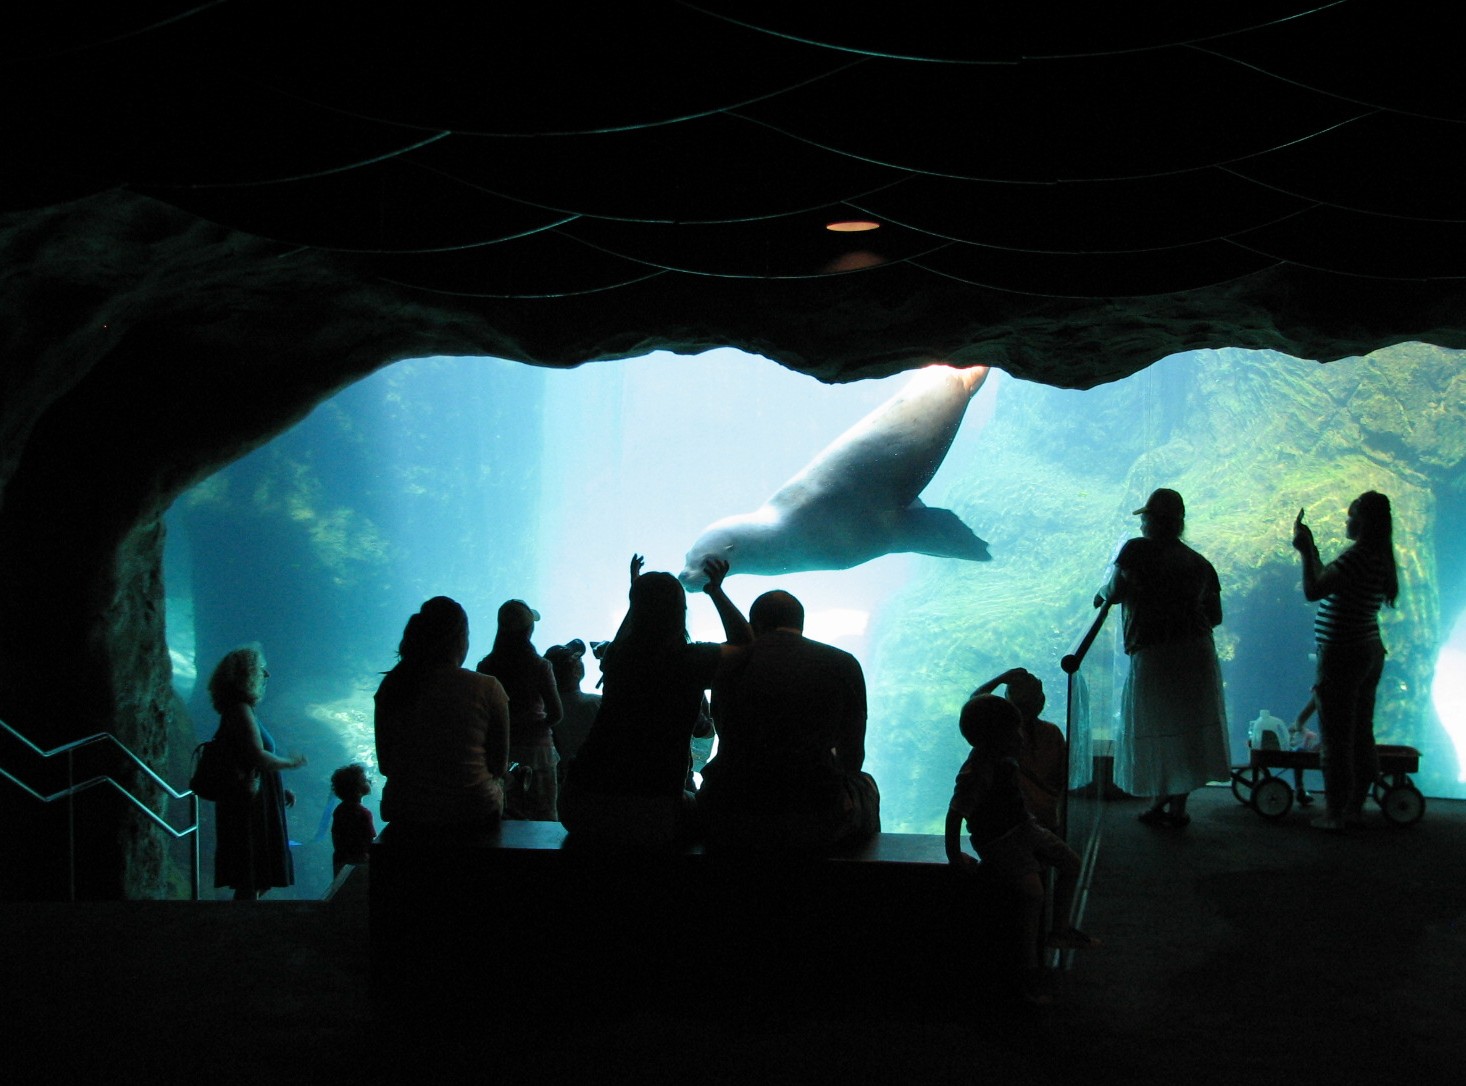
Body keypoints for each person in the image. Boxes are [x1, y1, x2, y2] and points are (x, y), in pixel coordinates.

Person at [559, 555, 751, 849]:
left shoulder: (617, 657)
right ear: (681, 612)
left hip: (577, 805)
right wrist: (715, 591)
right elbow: (745, 644)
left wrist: (637, 590)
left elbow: (634, 629)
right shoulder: (691, 660)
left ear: (635, 611)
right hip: (652, 812)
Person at [698, 589, 880, 852]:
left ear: (754, 626)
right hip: (814, 815)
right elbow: (853, 758)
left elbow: (723, 728)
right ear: (801, 623)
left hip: (730, 811)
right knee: (865, 785)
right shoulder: (843, 664)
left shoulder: (729, 664)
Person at [945, 694, 1098, 1005]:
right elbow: (956, 813)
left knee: (1071, 863)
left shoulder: (1003, 756)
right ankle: (1027, 975)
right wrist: (954, 856)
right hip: (997, 840)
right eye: (1014, 731)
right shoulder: (977, 771)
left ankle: (1060, 929)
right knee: (1032, 895)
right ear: (995, 738)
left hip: (1024, 827)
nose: (1021, 736)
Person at [1094, 487, 1230, 828]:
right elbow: (1215, 616)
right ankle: (1176, 807)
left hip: (1154, 653)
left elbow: (1114, 591)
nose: (1141, 525)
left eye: (1145, 518)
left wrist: (1100, 595)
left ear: (1153, 521)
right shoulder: (1199, 564)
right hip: (1197, 652)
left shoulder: (1136, 551)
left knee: (1155, 724)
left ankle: (1159, 800)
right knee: (1186, 729)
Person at [1292, 492, 1400, 832]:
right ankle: (1354, 806)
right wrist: (1312, 552)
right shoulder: (1379, 556)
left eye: (1351, 516)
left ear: (1364, 522)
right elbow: (1327, 581)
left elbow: (1313, 590)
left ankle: (1335, 813)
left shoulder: (1356, 557)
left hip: (1343, 653)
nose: (1346, 522)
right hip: (1368, 650)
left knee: (1336, 736)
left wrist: (1305, 550)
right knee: (1360, 732)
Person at [374, 596, 510, 840]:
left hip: (406, 810)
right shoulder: (487, 687)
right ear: (459, 640)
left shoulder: (392, 685)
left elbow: (386, 765)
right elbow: (499, 766)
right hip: (472, 811)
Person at [206, 644, 307, 900]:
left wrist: (277, 787)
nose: (267, 675)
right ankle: (242, 928)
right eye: (261, 669)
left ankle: (244, 924)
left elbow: (244, 758)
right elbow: (257, 756)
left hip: (256, 796)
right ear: (247, 674)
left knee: (258, 875)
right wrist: (290, 763)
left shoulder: (241, 710)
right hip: (248, 804)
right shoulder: (239, 710)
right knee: (252, 873)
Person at [477, 599, 562, 821]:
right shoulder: (540, 665)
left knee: (506, 817)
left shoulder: (485, 667)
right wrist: (532, 727)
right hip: (538, 751)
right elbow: (556, 714)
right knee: (543, 818)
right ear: (529, 630)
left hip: (499, 752)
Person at [970, 667, 1067, 832]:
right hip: (1049, 817)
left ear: (1009, 704)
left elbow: (975, 704)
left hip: (1013, 820)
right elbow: (1063, 777)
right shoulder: (1053, 732)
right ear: (1041, 702)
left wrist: (1001, 679)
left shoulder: (1003, 734)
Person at [545, 639, 601, 791]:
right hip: (601, 786)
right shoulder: (597, 703)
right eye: (578, 660)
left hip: (565, 791)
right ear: (576, 671)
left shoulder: (543, 712)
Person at [329, 762, 376, 876]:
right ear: (357, 789)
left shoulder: (339, 810)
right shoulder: (363, 813)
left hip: (340, 863)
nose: (368, 781)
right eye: (364, 780)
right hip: (360, 864)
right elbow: (370, 842)